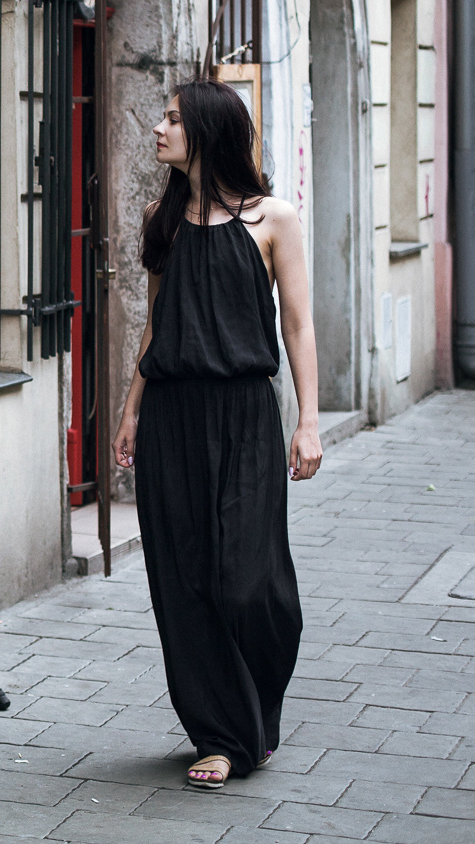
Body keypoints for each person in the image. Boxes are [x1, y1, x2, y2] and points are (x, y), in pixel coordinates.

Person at [112, 79, 323, 790]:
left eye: (172, 118)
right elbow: (154, 324)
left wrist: (310, 420)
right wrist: (132, 408)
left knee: (247, 582)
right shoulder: (161, 219)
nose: (158, 128)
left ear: (207, 129)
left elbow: (297, 325)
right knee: (185, 581)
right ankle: (222, 732)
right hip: (172, 413)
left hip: (245, 416)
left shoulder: (274, 219)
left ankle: (255, 704)